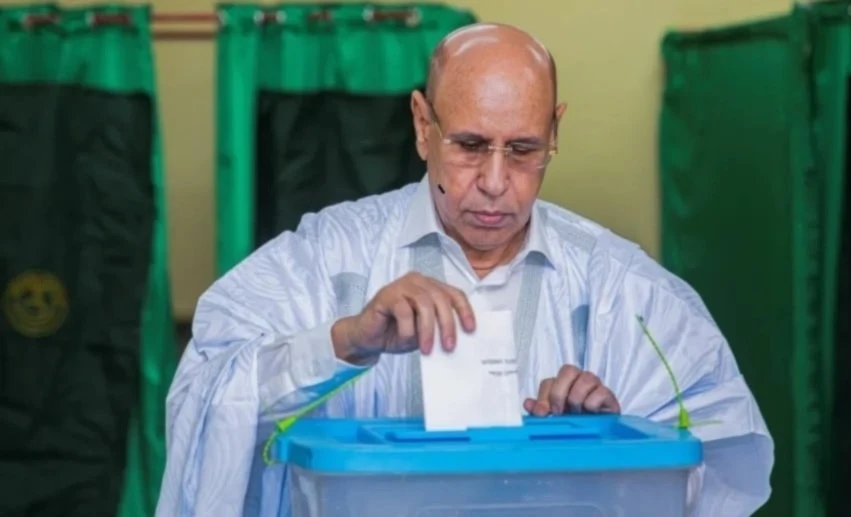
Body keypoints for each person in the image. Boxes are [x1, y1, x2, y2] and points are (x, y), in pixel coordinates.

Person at [157, 23, 773, 517]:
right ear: (423, 125)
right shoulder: (324, 262)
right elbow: (204, 397)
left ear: (555, 130)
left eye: (524, 150)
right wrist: (342, 343)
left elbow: (726, 458)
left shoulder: (626, 292)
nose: (496, 182)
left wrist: (611, 446)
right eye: (470, 146)